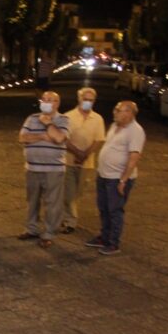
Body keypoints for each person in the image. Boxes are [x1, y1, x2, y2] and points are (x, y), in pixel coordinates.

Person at [87, 100, 144, 256]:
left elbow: (134, 158)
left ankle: (113, 243)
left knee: (115, 210)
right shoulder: (114, 126)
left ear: (129, 113)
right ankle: (104, 237)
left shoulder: (136, 131)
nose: (115, 112)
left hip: (117, 179)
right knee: (103, 208)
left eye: (118, 110)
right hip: (104, 175)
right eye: (115, 109)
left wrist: (123, 180)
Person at [18, 90, 70, 248]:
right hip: (32, 167)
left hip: (54, 169)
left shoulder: (63, 119)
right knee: (32, 201)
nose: (46, 102)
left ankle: (49, 233)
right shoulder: (32, 118)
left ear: (57, 103)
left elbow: (59, 138)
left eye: (50, 100)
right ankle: (31, 229)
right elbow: (22, 137)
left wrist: (48, 124)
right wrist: (43, 137)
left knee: (53, 202)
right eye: (44, 100)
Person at [62, 87, 106, 234]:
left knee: (78, 192)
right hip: (68, 160)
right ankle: (70, 221)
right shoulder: (68, 117)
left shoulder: (98, 119)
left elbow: (99, 140)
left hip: (87, 163)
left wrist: (85, 154)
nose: (88, 102)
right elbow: (64, 139)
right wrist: (77, 153)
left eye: (91, 100)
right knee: (69, 192)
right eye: (85, 99)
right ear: (79, 99)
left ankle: (67, 214)